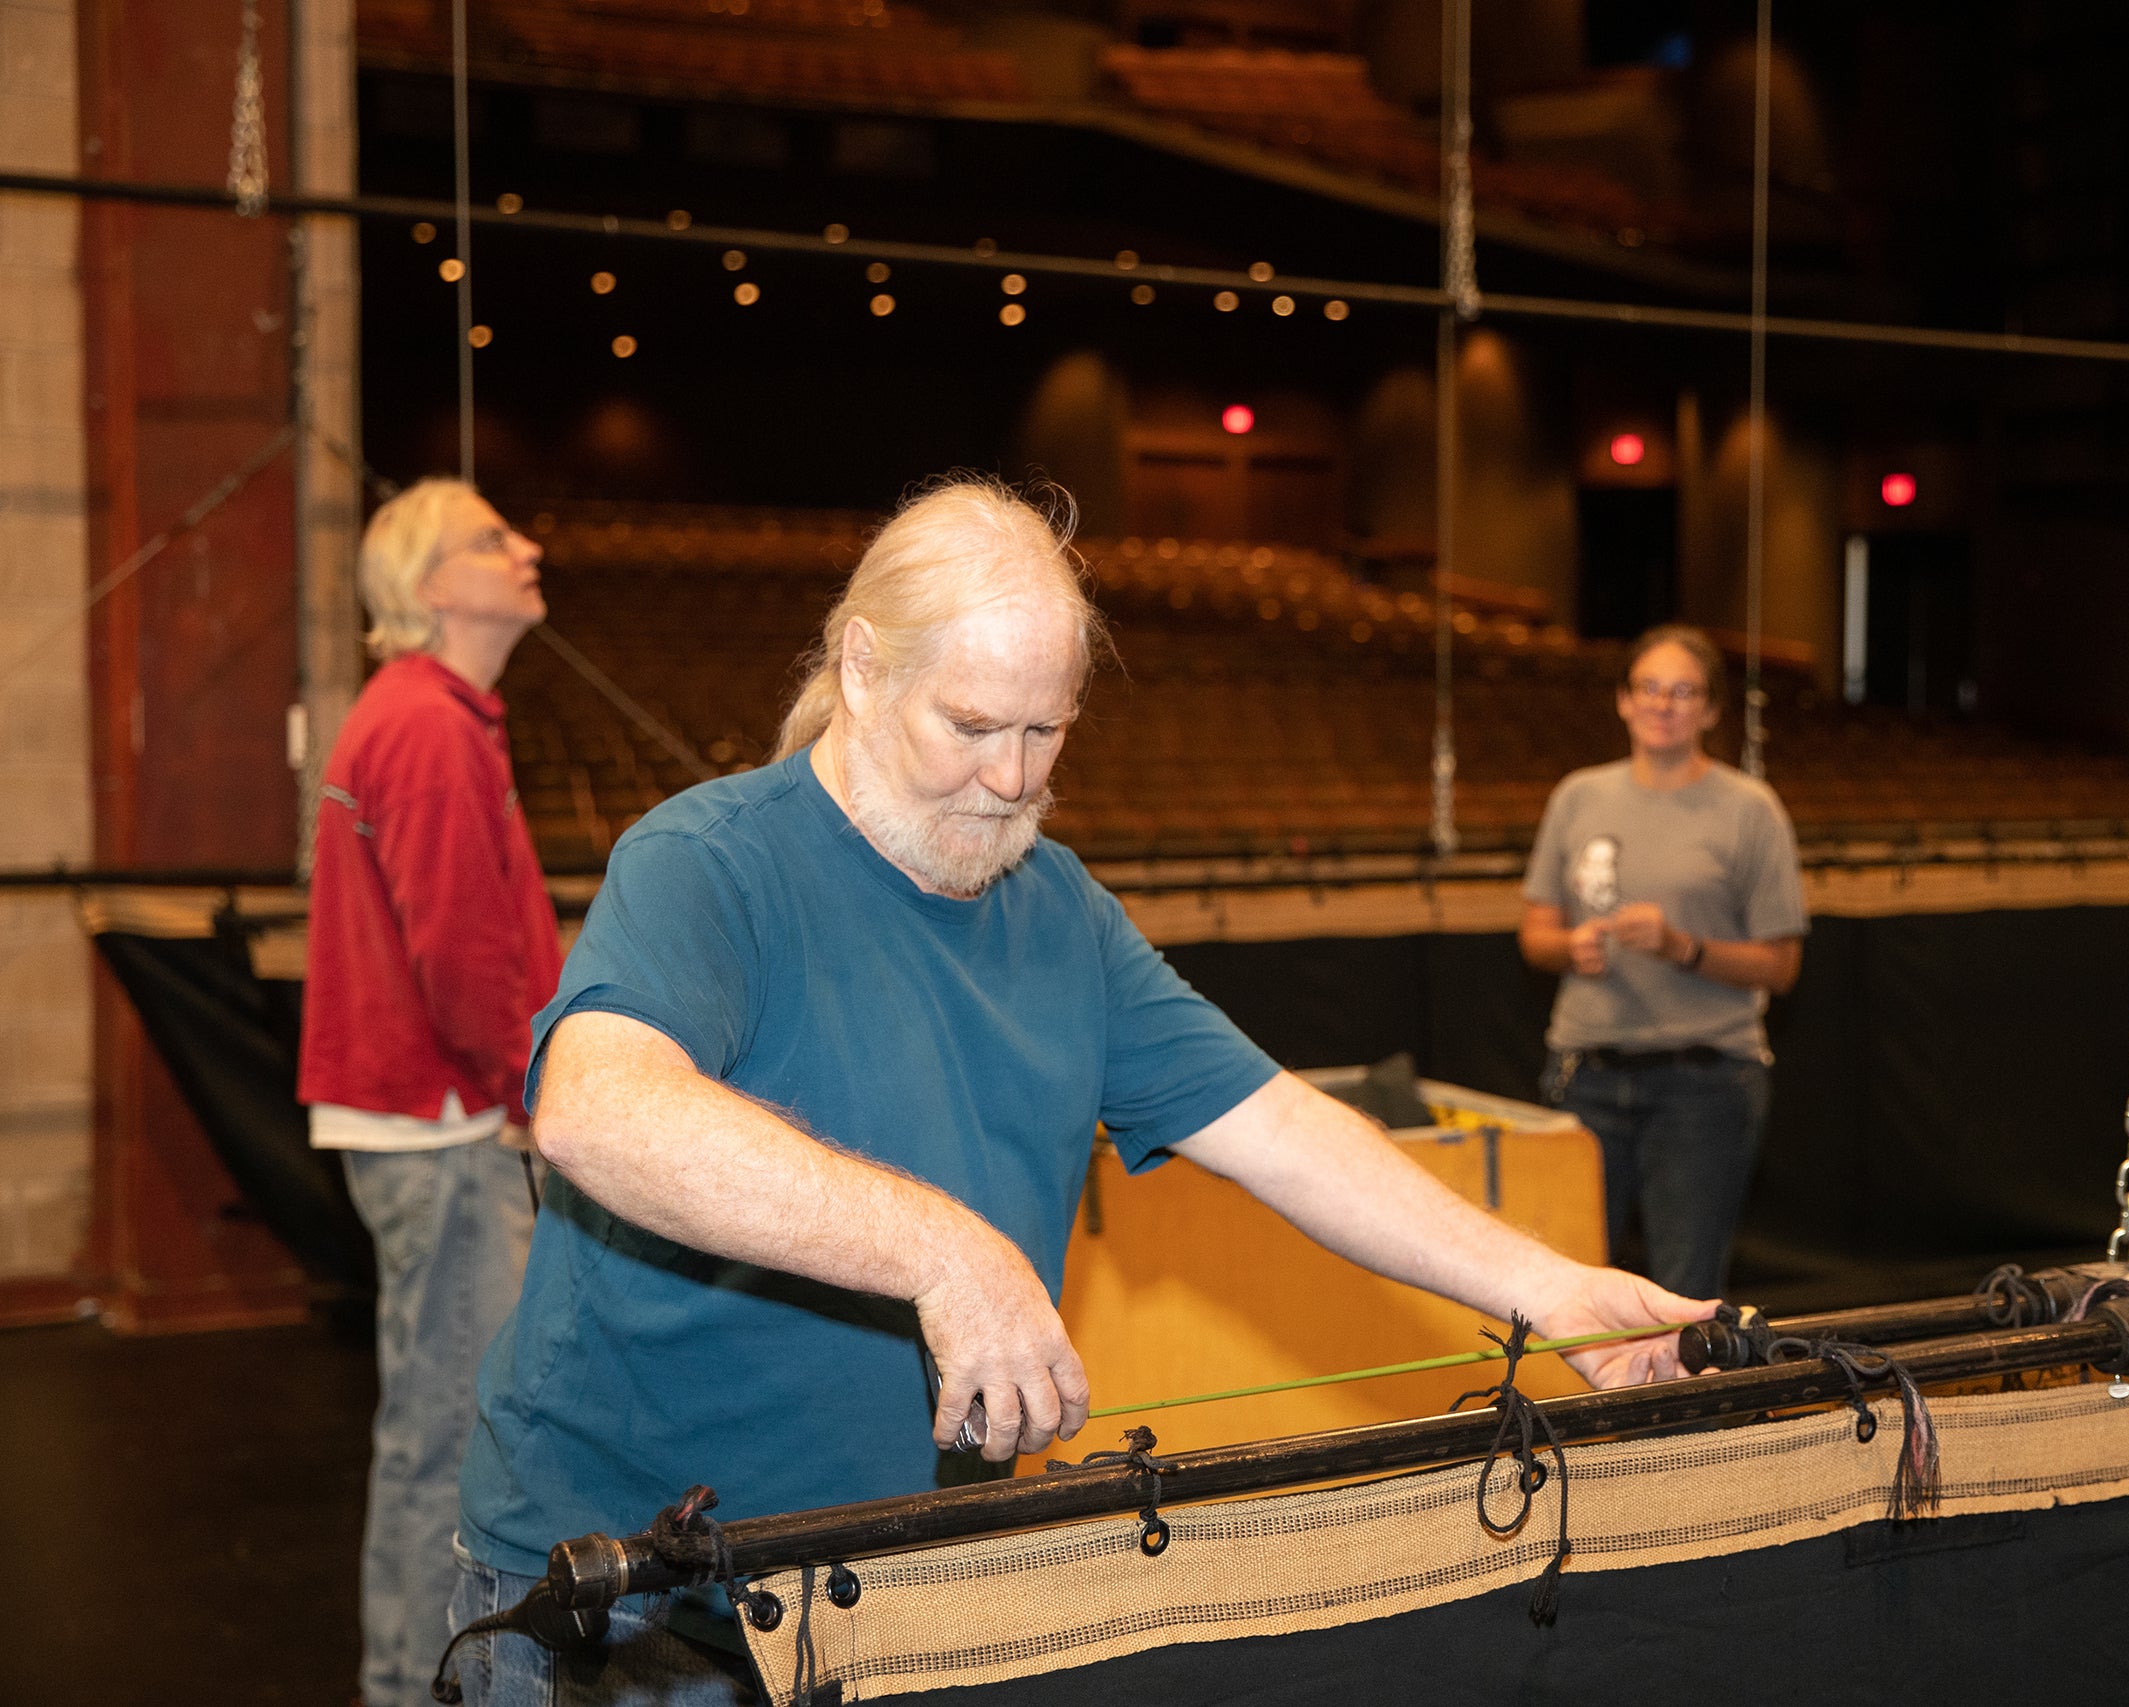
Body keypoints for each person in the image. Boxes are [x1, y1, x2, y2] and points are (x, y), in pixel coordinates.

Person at [447, 480, 1704, 1706]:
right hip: (625, 1594)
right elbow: (597, 1111)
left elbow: (1285, 1133)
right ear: (862, 669)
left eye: (1043, 733)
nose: (1009, 779)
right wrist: (944, 1251)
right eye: (972, 727)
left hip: (876, 1585)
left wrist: (1556, 1292)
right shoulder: (707, 862)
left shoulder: (1062, 913)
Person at [300, 479, 560, 1707]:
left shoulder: (433, 716)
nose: (527, 549)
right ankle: (413, 1686)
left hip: (436, 1117)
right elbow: (459, 955)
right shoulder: (427, 726)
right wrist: (526, 1088)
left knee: (438, 1431)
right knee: (447, 1443)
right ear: (428, 586)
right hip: (444, 1123)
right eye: (493, 539)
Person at [1517, 624, 1808, 1302]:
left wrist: (1685, 947)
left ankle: (1687, 1412)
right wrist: (1569, 947)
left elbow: (1782, 965)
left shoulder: (1750, 810)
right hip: (1584, 1074)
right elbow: (1535, 932)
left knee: (1683, 1298)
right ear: (1623, 700)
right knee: (1567, 1293)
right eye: (1649, 687)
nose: (1663, 703)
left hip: (1702, 1086)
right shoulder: (1578, 797)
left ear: (1709, 710)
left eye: (1684, 692)